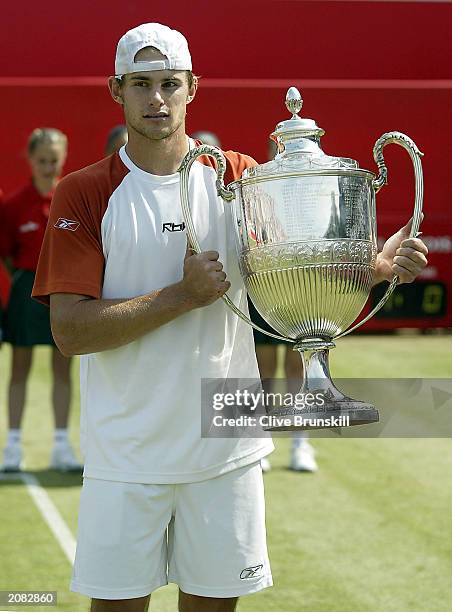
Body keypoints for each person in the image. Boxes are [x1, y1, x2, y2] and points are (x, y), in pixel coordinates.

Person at [32, 23, 428, 612]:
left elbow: (288, 282)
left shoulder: (240, 176)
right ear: (117, 91)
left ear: (193, 88)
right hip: (126, 457)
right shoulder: (83, 192)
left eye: (170, 83)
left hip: (226, 451)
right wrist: (179, 297)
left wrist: (365, 270)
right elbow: (70, 332)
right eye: (141, 84)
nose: (156, 99)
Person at [0, 128, 81, 473]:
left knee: (63, 368)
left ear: (63, 159)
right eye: (42, 160)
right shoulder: (13, 204)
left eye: (54, 160)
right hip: (26, 290)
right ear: (30, 160)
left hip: (63, 290)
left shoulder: (71, 197)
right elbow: (6, 255)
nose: (48, 166)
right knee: (19, 367)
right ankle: (13, 447)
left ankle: (62, 446)